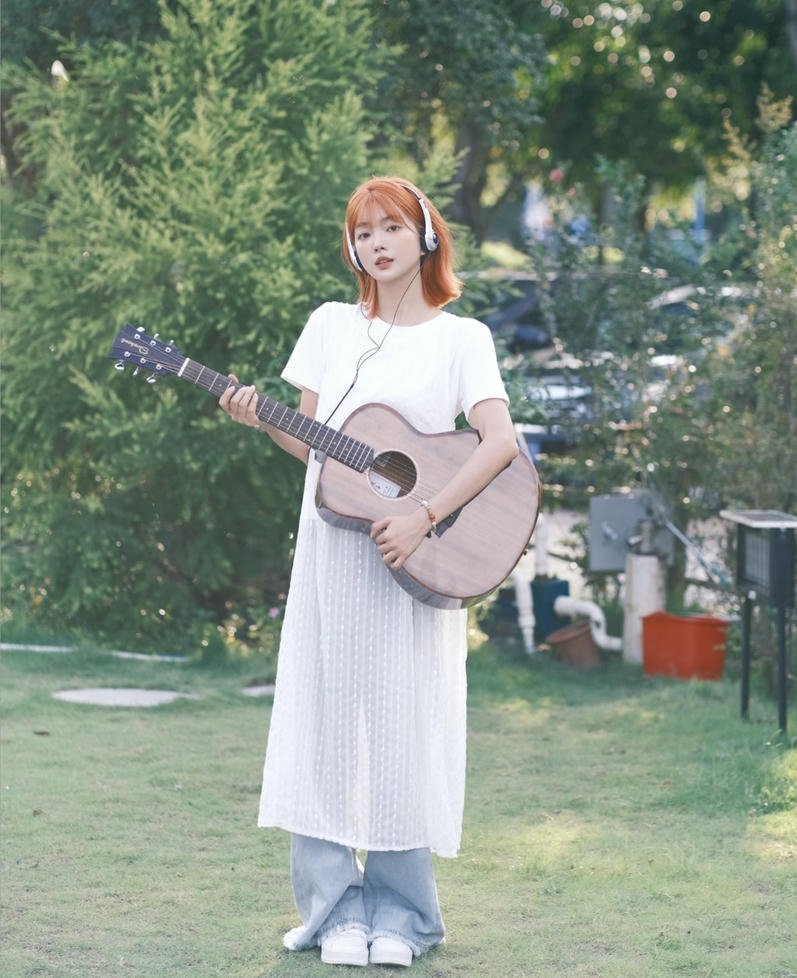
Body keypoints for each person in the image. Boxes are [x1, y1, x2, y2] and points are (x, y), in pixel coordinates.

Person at [219, 176, 519, 968]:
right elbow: (317, 446)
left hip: (414, 560)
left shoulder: (464, 340)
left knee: (401, 729)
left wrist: (424, 514)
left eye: (391, 227)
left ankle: (405, 918)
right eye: (362, 233)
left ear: (425, 235)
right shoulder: (329, 326)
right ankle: (332, 912)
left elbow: (498, 443)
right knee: (320, 724)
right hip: (333, 557)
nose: (376, 243)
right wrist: (259, 420)